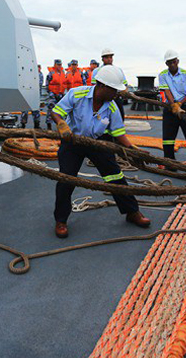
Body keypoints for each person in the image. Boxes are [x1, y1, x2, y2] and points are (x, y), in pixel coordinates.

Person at [49, 65, 150, 238]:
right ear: (102, 86)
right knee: (66, 179)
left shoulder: (112, 107)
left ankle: (132, 212)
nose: (117, 94)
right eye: (114, 90)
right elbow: (56, 112)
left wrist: (133, 150)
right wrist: (61, 124)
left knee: (115, 176)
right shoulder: (77, 94)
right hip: (73, 141)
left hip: (99, 143)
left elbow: (118, 134)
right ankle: (61, 220)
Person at [92, 49, 128, 120]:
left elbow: (124, 85)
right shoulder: (96, 71)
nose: (109, 59)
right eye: (106, 57)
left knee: (120, 117)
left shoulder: (118, 70)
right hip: (101, 99)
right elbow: (93, 86)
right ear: (102, 59)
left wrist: (124, 93)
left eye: (110, 57)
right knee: (101, 118)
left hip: (116, 97)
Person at [45, 59, 67, 130]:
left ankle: (60, 125)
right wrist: (51, 93)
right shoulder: (51, 73)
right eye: (58, 65)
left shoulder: (63, 72)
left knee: (61, 109)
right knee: (51, 109)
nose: (59, 66)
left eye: (60, 65)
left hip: (61, 94)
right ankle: (49, 125)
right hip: (53, 94)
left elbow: (64, 83)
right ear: (54, 65)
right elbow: (47, 84)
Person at [20, 64, 42, 129]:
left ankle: (37, 125)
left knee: (36, 111)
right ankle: (23, 125)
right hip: (27, 94)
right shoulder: (26, 74)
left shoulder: (40, 75)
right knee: (24, 110)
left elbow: (39, 86)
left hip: (35, 95)